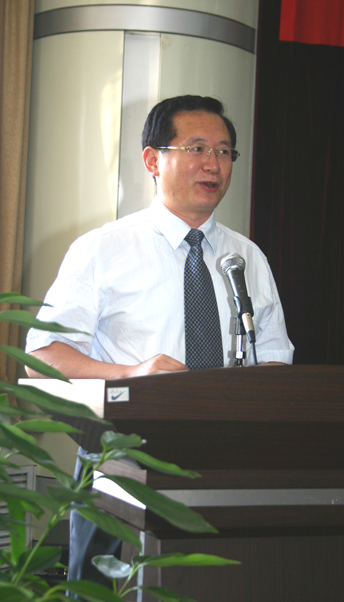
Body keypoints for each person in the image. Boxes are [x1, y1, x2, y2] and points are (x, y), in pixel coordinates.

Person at [25, 95, 294, 585]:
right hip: (123, 462)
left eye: (225, 151)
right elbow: (42, 357)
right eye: (197, 148)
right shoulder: (103, 248)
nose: (214, 164)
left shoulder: (248, 257)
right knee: (106, 592)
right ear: (152, 160)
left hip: (229, 466)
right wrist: (132, 374)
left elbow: (275, 360)